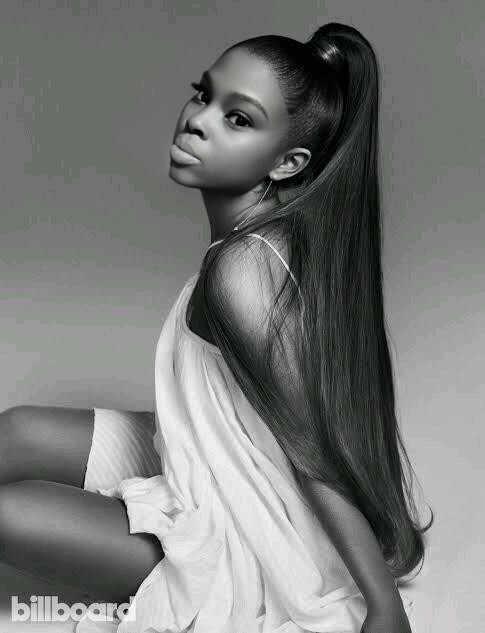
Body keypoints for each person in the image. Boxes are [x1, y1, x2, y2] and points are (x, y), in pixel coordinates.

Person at [0, 22, 433, 633]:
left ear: (288, 163)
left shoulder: (242, 271)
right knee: (17, 429)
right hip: (210, 460)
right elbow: (230, 403)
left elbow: (312, 451)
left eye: (238, 118)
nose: (198, 120)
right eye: (204, 94)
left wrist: (383, 607)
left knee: (6, 515)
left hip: (241, 529)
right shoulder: (258, 239)